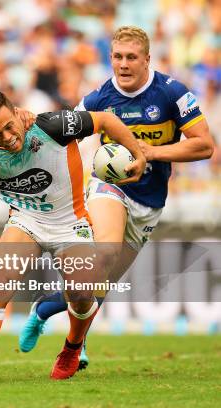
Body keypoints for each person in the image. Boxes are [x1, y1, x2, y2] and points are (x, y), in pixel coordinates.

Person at [18, 26, 214, 370]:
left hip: (150, 200)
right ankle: (72, 349)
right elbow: (64, 135)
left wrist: (150, 153)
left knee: (100, 284)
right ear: (110, 58)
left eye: (131, 57)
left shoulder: (172, 93)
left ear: (147, 59)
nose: (123, 64)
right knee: (103, 255)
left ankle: (46, 308)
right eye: (117, 57)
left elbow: (204, 144)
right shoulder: (98, 98)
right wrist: (29, 128)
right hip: (109, 187)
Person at [0, 91, 146, 383]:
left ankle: (72, 346)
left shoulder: (52, 126)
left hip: (70, 223)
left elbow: (106, 120)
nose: (6, 137)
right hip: (26, 219)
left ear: (18, 113)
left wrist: (139, 154)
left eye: (9, 126)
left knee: (82, 294)